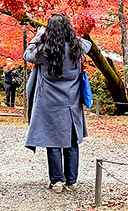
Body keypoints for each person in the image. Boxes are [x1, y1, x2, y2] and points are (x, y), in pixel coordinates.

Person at [23, 14, 93, 193]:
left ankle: (57, 181)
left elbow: (27, 55)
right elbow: (88, 44)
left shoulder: (45, 51)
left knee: (52, 141)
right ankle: (72, 181)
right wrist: (69, 35)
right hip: (70, 102)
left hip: (49, 102)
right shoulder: (77, 48)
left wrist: (39, 35)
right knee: (71, 142)